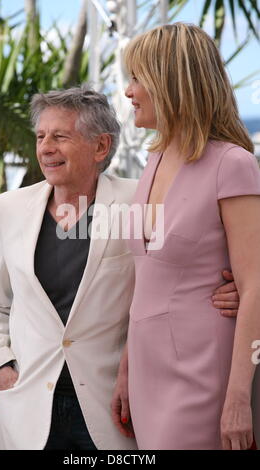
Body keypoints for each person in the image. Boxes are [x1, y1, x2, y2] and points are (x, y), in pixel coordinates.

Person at [0, 85, 239, 450]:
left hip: (115, 407)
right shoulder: (8, 208)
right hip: (31, 409)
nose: (45, 147)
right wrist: (0, 368)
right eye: (41, 136)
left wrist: (234, 284)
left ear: (100, 147)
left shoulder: (139, 200)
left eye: (60, 136)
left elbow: (193, 261)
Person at [111, 22, 260, 451]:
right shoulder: (154, 160)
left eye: (138, 78)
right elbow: (147, 282)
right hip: (146, 371)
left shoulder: (232, 164)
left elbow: (253, 288)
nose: (129, 91)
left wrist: (238, 397)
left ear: (171, 82)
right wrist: (126, 369)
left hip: (203, 374)